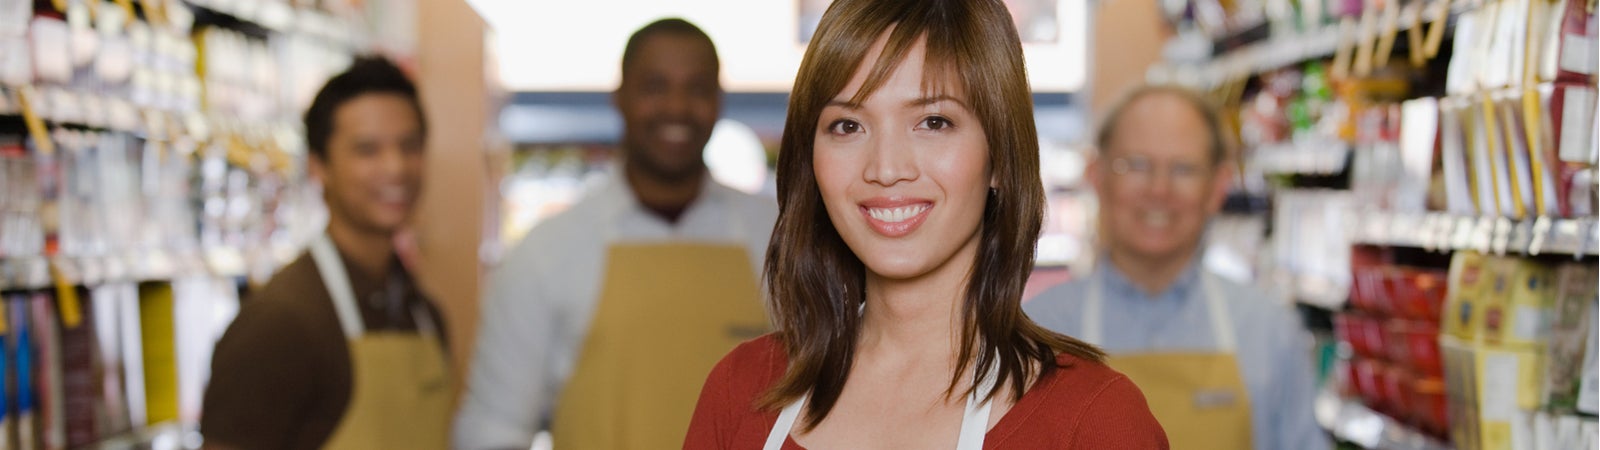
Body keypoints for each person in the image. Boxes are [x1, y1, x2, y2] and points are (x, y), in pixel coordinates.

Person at [684, 0, 1168, 448]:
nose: (887, 167)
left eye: (933, 122)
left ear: (1000, 156)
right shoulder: (740, 392)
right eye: (848, 126)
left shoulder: (1094, 421)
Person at [453, 18, 778, 450]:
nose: (677, 107)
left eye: (696, 88)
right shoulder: (546, 253)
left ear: (718, 101)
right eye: (655, 87)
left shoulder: (778, 238)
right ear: (620, 98)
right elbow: (492, 433)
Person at [1023, 85, 1330, 450]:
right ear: (1096, 175)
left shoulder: (1268, 330)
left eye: (1183, 169)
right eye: (1136, 164)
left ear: (1218, 187)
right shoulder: (1037, 333)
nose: (1159, 189)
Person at [200, 56, 449, 449]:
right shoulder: (280, 323)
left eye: (410, 145)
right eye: (368, 150)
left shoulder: (423, 314)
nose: (396, 167)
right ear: (318, 167)